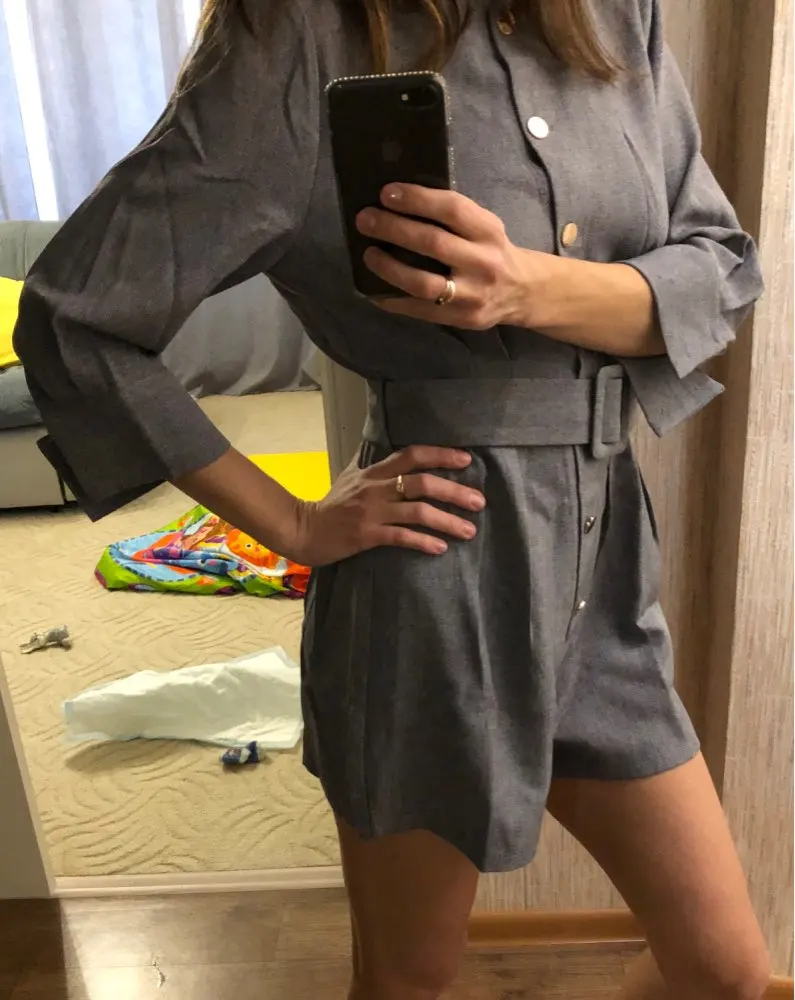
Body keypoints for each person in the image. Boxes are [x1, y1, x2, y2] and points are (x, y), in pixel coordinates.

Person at [13, 1, 770, 997]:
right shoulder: (295, 39)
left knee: (725, 970)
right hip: (435, 575)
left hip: (606, 563)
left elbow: (719, 268)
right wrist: (291, 523)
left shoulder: (613, 15)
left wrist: (524, 287)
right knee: (408, 977)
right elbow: (77, 319)